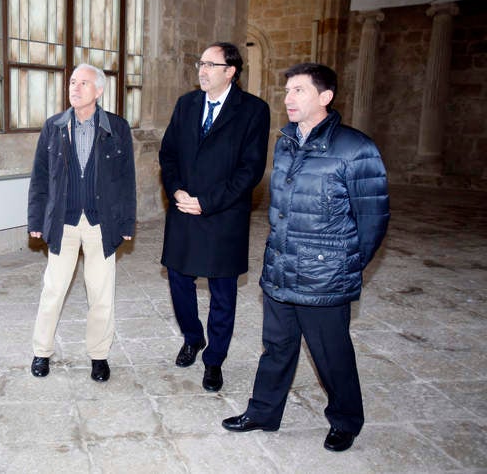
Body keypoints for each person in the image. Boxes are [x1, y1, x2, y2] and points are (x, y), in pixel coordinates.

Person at [222, 63, 390, 452]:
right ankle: (263, 411)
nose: (288, 99)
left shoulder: (356, 148)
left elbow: (373, 220)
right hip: (281, 267)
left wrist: (341, 264)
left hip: (324, 277)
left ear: (325, 97)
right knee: (277, 346)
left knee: (331, 354)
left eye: (299, 90)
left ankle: (346, 420)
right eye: (286, 91)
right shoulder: (285, 141)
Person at [159, 42, 270, 392]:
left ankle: (214, 361)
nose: (202, 70)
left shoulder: (253, 110)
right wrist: (176, 190)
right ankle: (193, 338)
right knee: (178, 279)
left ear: (230, 71)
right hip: (182, 210)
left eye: (210, 64)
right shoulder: (186, 104)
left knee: (223, 292)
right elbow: (168, 154)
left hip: (223, 214)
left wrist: (206, 202)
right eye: (200, 63)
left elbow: (249, 170)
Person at [27, 63, 136, 382]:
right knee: (53, 289)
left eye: (83, 83)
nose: (75, 88)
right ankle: (41, 351)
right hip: (63, 222)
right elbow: (40, 177)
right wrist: (36, 219)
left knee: (101, 292)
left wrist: (127, 223)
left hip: (102, 224)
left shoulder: (117, 127)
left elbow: (126, 179)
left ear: (99, 91)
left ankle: (99, 356)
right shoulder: (54, 126)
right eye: (72, 82)